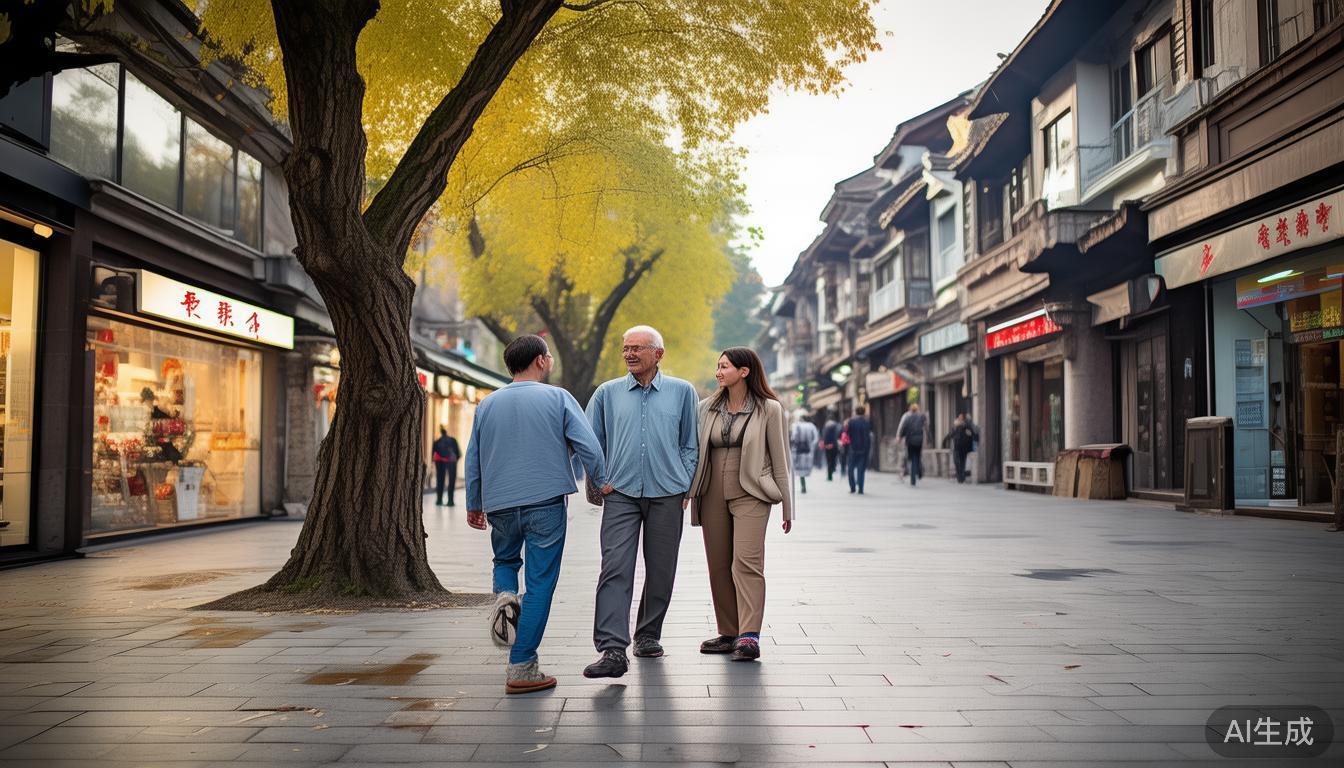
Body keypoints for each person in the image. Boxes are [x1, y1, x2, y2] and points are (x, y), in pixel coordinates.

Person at [465, 334, 607, 695]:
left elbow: (474, 457)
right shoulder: (558, 397)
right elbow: (588, 444)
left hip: (498, 503)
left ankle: (505, 596)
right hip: (544, 500)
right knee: (541, 582)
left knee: (506, 560)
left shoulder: (487, 404)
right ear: (541, 361)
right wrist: (602, 480)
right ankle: (523, 665)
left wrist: (473, 502)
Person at [583, 325, 700, 679]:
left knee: (661, 569)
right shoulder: (606, 393)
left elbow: (690, 443)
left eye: (638, 348)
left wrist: (684, 482)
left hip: (668, 493)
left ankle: (647, 635)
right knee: (615, 567)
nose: (630, 354)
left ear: (658, 354)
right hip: (620, 493)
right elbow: (590, 440)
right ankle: (612, 650)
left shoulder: (682, 392)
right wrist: (599, 479)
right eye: (626, 348)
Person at [688, 347, 793, 662]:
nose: (718, 372)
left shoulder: (769, 409)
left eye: (724, 367)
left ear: (744, 371)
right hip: (711, 491)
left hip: (753, 491)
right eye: (717, 367)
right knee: (718, 564)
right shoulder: (705, 408)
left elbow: (780, 460)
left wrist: (788, 508)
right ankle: (728, 632)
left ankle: (749, 635)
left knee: (746, 562)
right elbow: (694, 452)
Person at [896, 403, 928, 486]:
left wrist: (900, 437)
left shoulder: (907, 417)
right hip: (919, 440)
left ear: (910, 410)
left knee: (911, 458)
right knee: (918, 456)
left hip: (910, 441)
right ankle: (919, 472)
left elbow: (903, 428)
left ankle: (913, 478)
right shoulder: (922, 417)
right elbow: (926, 428)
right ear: (917, 409)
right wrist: (929, 438)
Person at [844, 405, 872, 494]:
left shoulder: (851, 422)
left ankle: (852, 487)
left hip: (853, 448)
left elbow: (846, 433)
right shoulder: (867, 422)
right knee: (861, 469)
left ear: (856, 412)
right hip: (864, 449)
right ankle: (861, 488)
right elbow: (869, 436)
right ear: (864, 412)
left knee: (850, 468)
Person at [945, 412, 979, 484]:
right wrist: (945, 440)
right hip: (957, 446)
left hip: (963, 446)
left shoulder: (965, 425)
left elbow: (973, 431)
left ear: (963, 418)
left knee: (962, 462)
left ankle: (961, 477)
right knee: (957, 462)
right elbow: (951, 434)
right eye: (959, 417)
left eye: (961, 417)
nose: (960, 418)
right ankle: (960, 477)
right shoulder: (955, 425)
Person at [789, 411, 819, 493]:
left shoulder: (797, 426)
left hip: (799, 450)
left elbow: (793, 438)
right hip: (808, 451)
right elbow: (816, 438)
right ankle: (804, 485)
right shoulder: (812, 426)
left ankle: (803, 485)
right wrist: (812, 446)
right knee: (806, 468)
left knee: (800, 469)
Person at [432, 427, 461, 507]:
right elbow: (458, 454)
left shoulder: (437, 442)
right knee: (451, 481)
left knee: (440, 480)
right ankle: (450, 501)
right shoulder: (453, 440)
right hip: (451, 462)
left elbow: (433, 454)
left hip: (440, 462)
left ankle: (439, 500)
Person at [820, 413, 841, 481]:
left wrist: (825, 443)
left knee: (828, 460)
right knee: (833, 459)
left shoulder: (826, 426)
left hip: (827, 445)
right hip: (834, 445)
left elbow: (823, 436)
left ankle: (829, 475)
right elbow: (837, 434)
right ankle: (832, 469)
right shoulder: (836, 425)